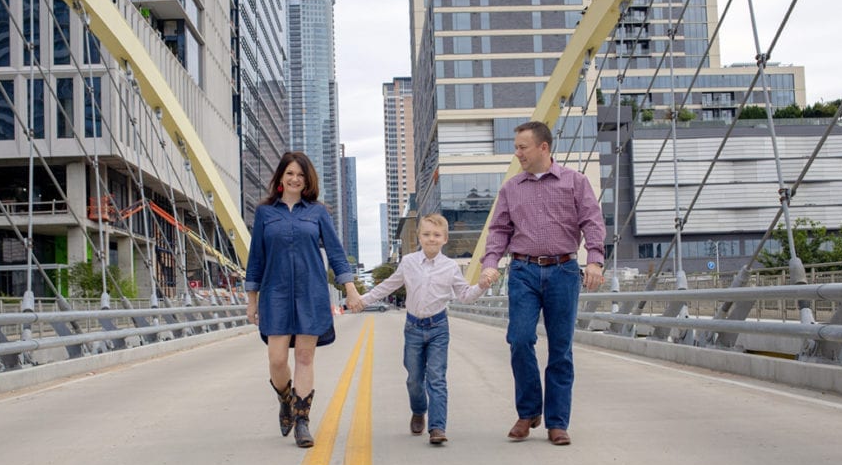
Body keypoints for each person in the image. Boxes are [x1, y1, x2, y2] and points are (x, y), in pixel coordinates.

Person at [479, 121, 606, 446]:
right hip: (523, 271)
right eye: (516, 146)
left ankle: (557, 422)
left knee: (560, 350)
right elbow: (499, 230)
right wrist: (490, 264)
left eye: (522, 147)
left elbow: (592, 220)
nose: (517, 152)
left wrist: (594, 258)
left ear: (543, 148)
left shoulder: (575, 182)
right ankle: (529, 411)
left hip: (564, 271)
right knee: (519, 340)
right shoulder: (511, 188)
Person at [245, 152, 363, 448]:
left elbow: (336, 252)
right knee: (277, 359)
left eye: (300, 174)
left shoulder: (318, 212)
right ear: (281, 178)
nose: (295, 179)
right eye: (290, 174)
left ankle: (302, 421)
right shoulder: (265, 213)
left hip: (311, 292)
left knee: (305, 357)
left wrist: (350, 288)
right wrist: (252, 299)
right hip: (275, 293)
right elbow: (256, 259)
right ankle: (286, 398)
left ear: (307, 180)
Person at [349, 214, 491, 445]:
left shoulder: (451, 267)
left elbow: (465, 295)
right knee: (414, 379)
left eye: (436, 235)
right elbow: (388, 285)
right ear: (419, 237)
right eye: (426, 234)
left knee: (436, 378)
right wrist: (364, 300)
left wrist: (481, 286)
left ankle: (437, 427)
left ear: (445, 239)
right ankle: (418, 410)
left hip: (438, 328)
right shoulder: (409, 263)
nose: (431, 239)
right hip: (413, 327)